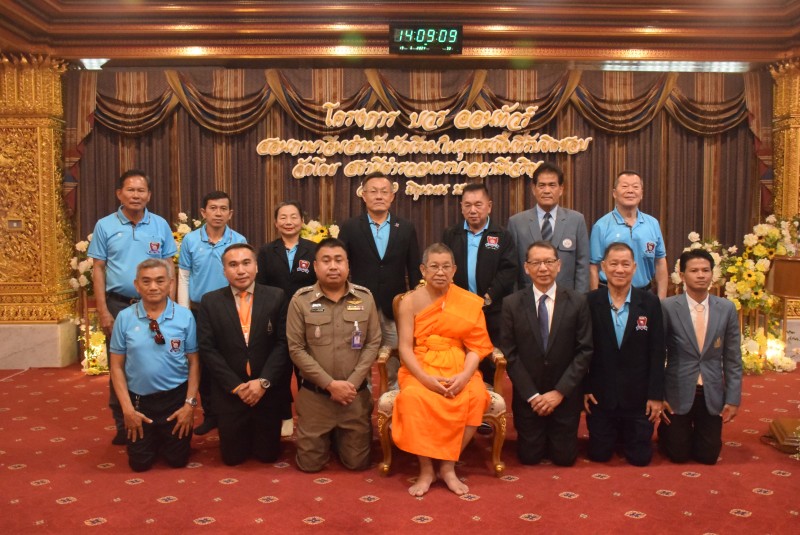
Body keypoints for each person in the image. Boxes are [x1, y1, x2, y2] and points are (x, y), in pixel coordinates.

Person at [391, 243, 494, 497]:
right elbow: (404, 348)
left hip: (458, 364)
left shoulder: (468, 302)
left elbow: (477, 347)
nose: (440, 272)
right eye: (434, 266)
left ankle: (448, 466)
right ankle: (426, 469)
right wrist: (424, 378)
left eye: (446, 266)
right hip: (421, 365)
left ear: (454, 270)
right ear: (423, 270)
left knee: (476, 396)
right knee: (412, 398)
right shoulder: (409, 302)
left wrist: (465, 376)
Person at [87, 169, 177, 445]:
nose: (136, 195)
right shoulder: (105, 226)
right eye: (130, 190)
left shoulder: (159, 224)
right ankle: (123, 421)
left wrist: (171, 305)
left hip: (157, 305)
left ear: (149, 195)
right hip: (119, 306)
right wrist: (103, 310)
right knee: (121, 364)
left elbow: (169, 266)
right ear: (119, 194)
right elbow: (98, 268)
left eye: (141, 190)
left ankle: (160, 420)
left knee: (160, 360)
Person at [286, 238, 381, 473]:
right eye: (326, 261)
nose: (333, 266)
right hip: (316, 398)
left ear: (348, 265)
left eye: (339, 260)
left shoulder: (365, 298)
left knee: (358, 463)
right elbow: (296, 349)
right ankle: (328, 436)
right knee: (309, 465)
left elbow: (373, 343)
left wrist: (352, 384)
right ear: (315, 266)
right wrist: (330, 385)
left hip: (353, 397)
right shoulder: (300, 300)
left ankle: (339, 437)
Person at [197, 244, 291, 466]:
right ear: (224, 271)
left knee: (268, 456)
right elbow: (208, 349)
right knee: (233, 459)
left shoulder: (276, 296)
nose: (240, 270)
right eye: (233, 265)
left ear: (256, 267)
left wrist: (264, 382)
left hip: (266, 391)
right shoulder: (210, 301)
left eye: (246, 263)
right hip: (231, 393)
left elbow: (283, 344)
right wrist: (237, 387)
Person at [500, 241, 592, 466]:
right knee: (529, 457)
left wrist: (559, 392)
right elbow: (510, 354)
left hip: (564, 397)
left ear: (559, 265)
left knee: (564, 459)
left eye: (549, 262)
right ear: (526, 267)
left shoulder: (578, 301)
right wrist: (532, 396)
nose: (543, 268)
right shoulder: (511, 304)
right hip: (529, 399)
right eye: (536, 263)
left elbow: (584, 351)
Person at [108, 259, 199, 472]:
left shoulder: (185, 316)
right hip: (139, 402)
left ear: (170, 283)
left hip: (175, 400)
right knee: (140, 464)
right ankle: (153, 437)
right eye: (146, 281)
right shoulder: (124, 318)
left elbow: (194, 362)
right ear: (136, 285)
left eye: (160, 281)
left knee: (177, 460)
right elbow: (116, 367)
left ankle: (164, 437)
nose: (153, 287)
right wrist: (127, 410)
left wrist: (189, 405)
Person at [584, 242, 665, 466]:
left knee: (640, 459)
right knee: (598, 455)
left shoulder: (650, 302)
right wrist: (586, 388)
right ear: (603, 267)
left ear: (634, 267)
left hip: (638, 396)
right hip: (601, 395)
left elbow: (658, 351)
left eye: (625, 264)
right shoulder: (590, 301)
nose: (619, 269)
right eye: (614, 264)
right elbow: (582, 351)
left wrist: (655, 395)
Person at [659, 249, 742, 464]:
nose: (701, 275)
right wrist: (659, 395)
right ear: (682, 275)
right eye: (694, 270)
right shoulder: (668, 307)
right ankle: (668, 432)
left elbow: (733, 358)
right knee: (678, 454)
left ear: (712, 274)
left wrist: (733, 399)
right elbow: (657, 355)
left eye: (706, 270)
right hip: (677, 389)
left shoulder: (726, 308)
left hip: (710, 391)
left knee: (708, 456)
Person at [337, 173, 421, 387]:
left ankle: (392, 400)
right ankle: (362, 401)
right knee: (359, 358)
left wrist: (416, 305)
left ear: (392, 196)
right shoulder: (350, 227)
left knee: (394, 358)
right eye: (373, 191)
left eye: (384, 191)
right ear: (363, 195)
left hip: (394, 307)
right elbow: (340, 265)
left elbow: (414, 269)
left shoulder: (406, 227)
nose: (379, 196)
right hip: (359, 305)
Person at [177, 190, 247, 436]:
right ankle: (210, 414)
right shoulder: (190, 240)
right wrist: (183, 313)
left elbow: (244, 277)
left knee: (231, 362)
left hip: (232, 311)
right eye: (213, 208)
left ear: (231, 213)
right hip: (199, 311)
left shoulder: (239, 239)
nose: (218, 213)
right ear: (203, 212)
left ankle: (234, 410)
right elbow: (184, 277)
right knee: (204, 364)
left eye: (223, 209)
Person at [256, 200, 318, 436]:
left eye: (293, 217)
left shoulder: (314, 250)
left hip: (308, 319)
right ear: (276, 222)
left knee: (307, 369)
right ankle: (285, 415)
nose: (288, 222)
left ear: (302, 221)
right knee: (280, 370)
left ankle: (309, 414)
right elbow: (261, 286)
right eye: (283, 217)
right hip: (276, 319)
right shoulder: (266, 252)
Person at [441, 182, 517, 368]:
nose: (472, 210)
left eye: (478, 204)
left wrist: (487, 298)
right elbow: (443, 267)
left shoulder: (502, 236)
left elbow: (508, 271)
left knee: (489, 361)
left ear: (489, 206)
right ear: (461, 207)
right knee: (458, 360)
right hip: (458, 310)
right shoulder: (451, 234)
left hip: (492, 310)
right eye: (467, 205)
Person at [507, 161, 590, 292]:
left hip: (567, 297)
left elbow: (582, 265)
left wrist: (580, 299)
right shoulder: (517, 223)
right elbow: (512, 268)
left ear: (561, 189)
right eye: (542, 185)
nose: (547, 190)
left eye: (552, 185)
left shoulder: (576, 220)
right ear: (533, 189)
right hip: (529, 298)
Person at [589, 170, 668, 298]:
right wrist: (595, 299)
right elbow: (594, 266)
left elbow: (660, 262)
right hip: (609, 294)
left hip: (644, 294)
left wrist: (661, 300)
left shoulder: (652, 223)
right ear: (614, 193)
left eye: (635, 187)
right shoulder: (601, 226)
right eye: (625, 186)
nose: (630, 191)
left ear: (641, 194)